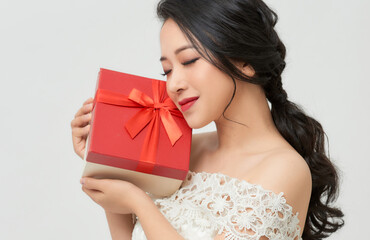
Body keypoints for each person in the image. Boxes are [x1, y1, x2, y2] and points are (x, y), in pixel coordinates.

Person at [71, 0, 345, 239]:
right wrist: (103, 161)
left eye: (188, 61)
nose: (174, 84)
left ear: (245, 61)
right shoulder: (184, 149)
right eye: (166, 70)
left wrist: (138, 203)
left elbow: (137, 206)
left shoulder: (286, 169)